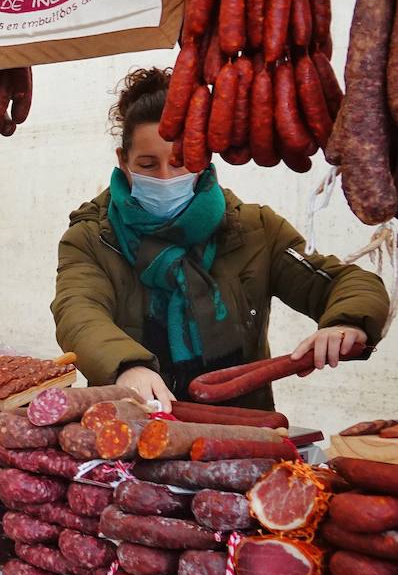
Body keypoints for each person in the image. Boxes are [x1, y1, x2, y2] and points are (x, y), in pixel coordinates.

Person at [53, 68, 390, 408]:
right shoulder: (92, 238)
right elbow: (78, 311)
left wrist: (347, 321)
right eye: (148, 164)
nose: (167, 176)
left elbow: (340, 282)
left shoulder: (255, 229)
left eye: (180, 161)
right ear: (123, 163)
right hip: (130, 425)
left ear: (203, 156)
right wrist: (126, 366)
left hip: (244, 431)